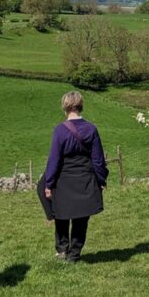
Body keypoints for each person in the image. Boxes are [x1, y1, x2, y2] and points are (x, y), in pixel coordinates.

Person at [41, 91, 109, 262]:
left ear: (64, 107)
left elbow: (54, 159)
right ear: (80, 105)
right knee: (81, 218)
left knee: (61, 215)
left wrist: (48, 184)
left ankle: (62, 250)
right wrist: (101, 180)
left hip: (64, 179)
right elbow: (98, 159)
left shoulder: (60, 130)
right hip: (85, 177)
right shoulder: (91, 129)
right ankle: (74, 254)